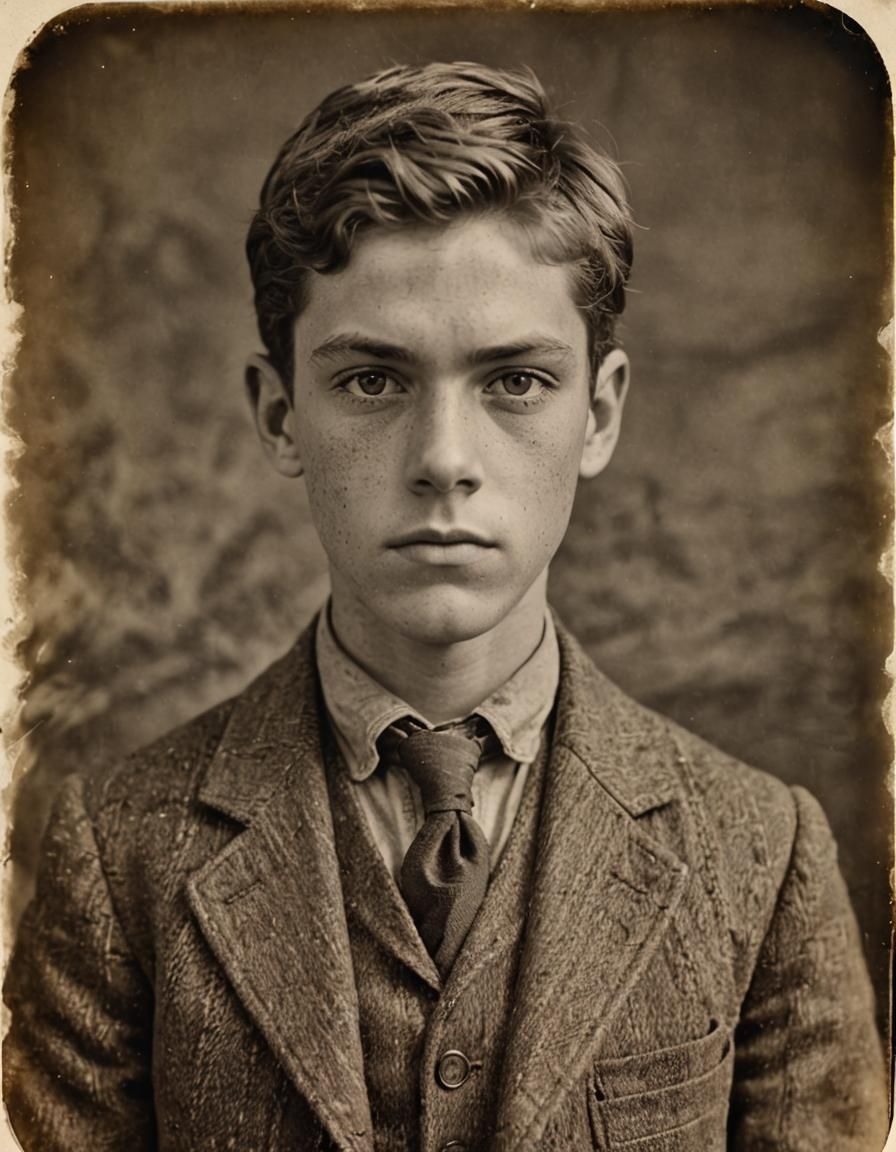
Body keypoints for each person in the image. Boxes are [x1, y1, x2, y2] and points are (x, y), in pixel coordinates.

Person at [3, 61, 888, 1152]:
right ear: (280, 415)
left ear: (598, 415)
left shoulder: (760, 856)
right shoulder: (120, 858)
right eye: (372, 381)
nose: (443, 461)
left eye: (513, 380)